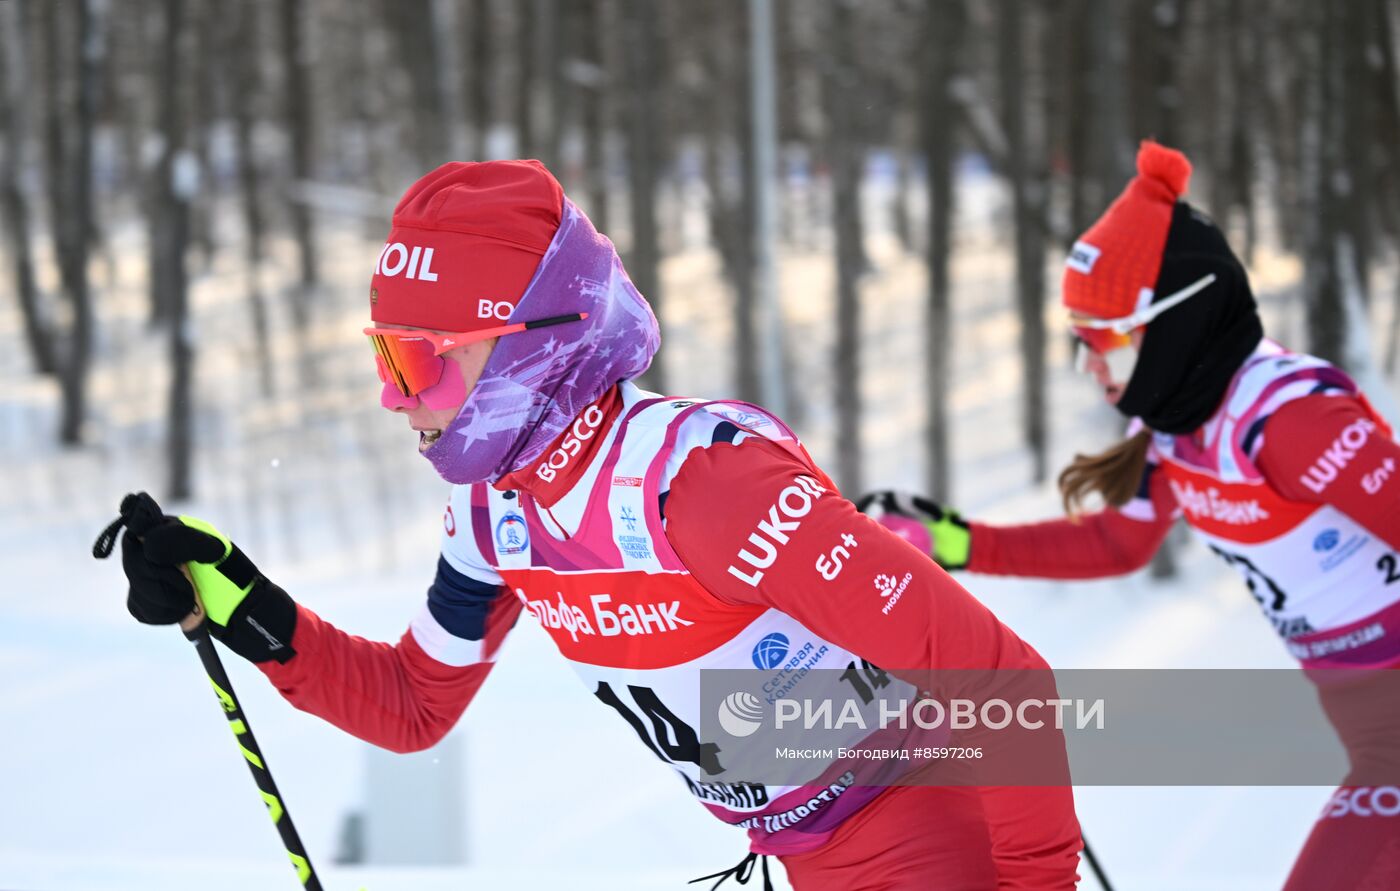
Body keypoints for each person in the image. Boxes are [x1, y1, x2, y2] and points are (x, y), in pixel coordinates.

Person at [108, 160, 1083, 890]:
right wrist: (241, 602)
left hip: (924, 826)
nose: (394, 399)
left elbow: (1006, 682)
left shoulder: (702, 487)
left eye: (417, 362)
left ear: (534, 344)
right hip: (804, 852)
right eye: (383, 361)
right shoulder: (496, 514)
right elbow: (409, 706)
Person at [860, 140, 1400, 889]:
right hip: (1367, 721)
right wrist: (954, 541)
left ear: (1176, 324)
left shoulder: (1288, 422)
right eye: (1076, 342)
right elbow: (1117, 542)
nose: (1089, 367)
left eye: (1101, 341)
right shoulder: (1176, 427)